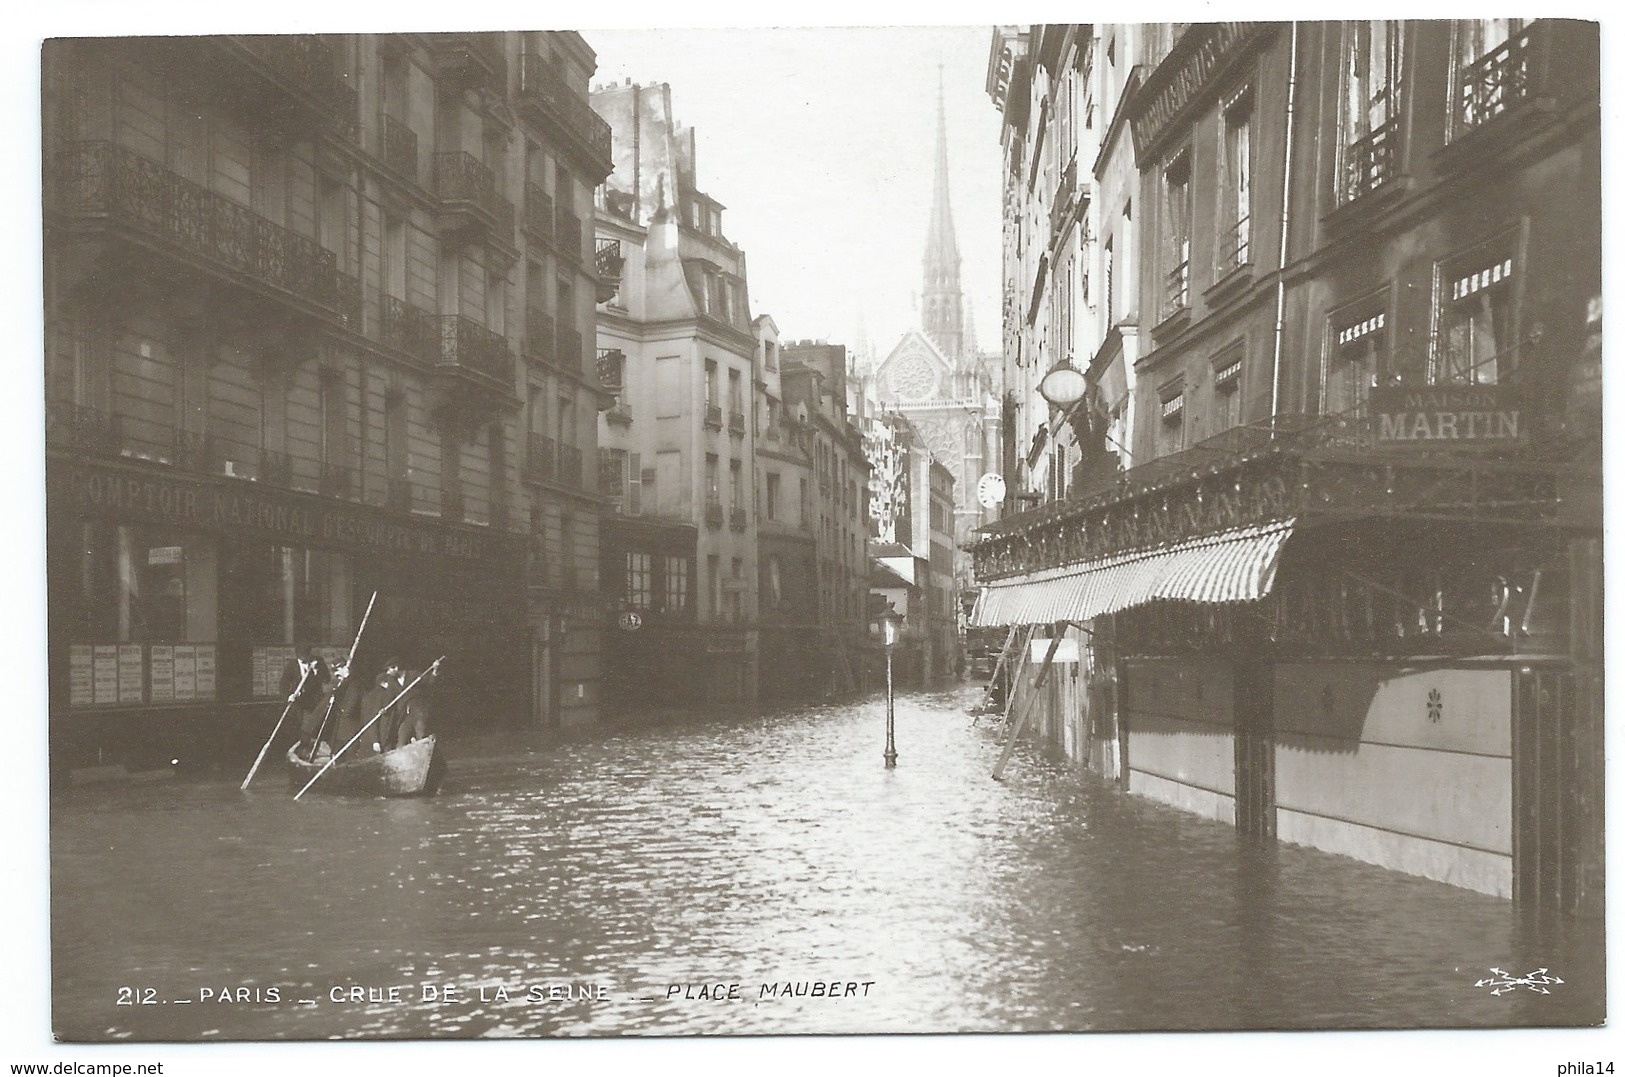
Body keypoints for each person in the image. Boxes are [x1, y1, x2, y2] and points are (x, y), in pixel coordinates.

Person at [281, 647, 331, 760]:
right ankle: (298, 754)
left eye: (306, 658)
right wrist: (289, 696)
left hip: (315, 702)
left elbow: (326, 679)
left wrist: (315, 670)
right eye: (301, 659)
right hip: (298, 702)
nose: (304, 660)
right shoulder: (292, 665)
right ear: (297, 656)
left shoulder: (319, 661)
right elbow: (283, 684)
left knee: (312, 728)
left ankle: (312, 753)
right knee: (299, 728)